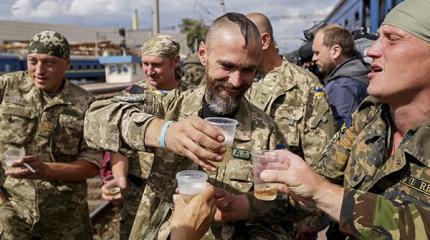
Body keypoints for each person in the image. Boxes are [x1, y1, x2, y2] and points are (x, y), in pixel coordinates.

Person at [215, 0, 430, 238]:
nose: (371, 50)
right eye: (378, 37)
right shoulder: (370, 115)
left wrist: (322, 192)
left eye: (393, 39)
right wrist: (244, 206)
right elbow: (315, 183)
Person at [84, 12, 286, 239]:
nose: (236, 81)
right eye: (227, 66)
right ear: (203, 54)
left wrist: (245, 205)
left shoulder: (265, 130)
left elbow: (286, 199)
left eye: (248, 69)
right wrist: (164, 132)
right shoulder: (170, 105)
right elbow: (95, 116)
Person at [0, 31, 102, 239]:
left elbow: (91, 165)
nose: (39, 70)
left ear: (67, 65)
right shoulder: (7, 87)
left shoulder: (87, 104)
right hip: (12, 214)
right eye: (33, 61)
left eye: (50, 63)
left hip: (66, 219)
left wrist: (46, 170)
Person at [245, 12, 335, 238]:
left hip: (286, 220)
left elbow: (323, 157)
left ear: (264, 41)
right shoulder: (239, 80)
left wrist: (313, 219)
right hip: (240, 214)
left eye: (244, 41)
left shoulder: (303, 85)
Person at [101, 34, 183, 240]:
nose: (149, 71)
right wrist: (119, 177)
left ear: (175, 61)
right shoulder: (132, 96)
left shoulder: (190, 96)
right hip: (140, 191)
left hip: (179, 194)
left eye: (156, 64)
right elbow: (118, 144)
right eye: (145, 64)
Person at [312, 24, 369, 128]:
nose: (313, 58)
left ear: (335, 51)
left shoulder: (341, 87)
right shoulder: (357, 73)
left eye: (317, 52)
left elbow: (344, 133)